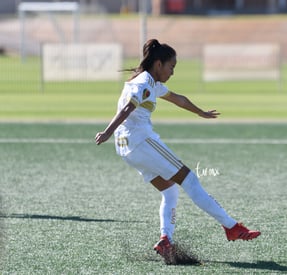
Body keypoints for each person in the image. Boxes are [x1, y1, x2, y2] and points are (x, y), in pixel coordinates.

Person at [95, 39, 260, 264]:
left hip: (127, 149)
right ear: (159, 64)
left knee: (170, 191)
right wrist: (106, 131)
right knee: (190, 180)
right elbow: (127, 109)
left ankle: (165, 240)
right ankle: (232, 227)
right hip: (140, 141)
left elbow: (178, 99)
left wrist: (200, 112)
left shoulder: (151, 82)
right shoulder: (144, 83)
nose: (173, 72)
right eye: (171, 67)